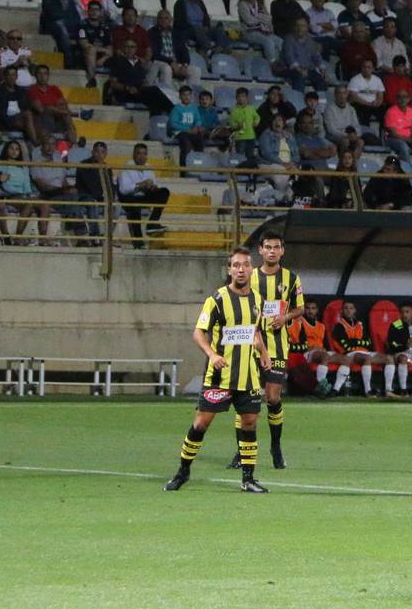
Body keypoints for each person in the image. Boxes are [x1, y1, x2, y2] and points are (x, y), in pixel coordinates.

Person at [164, 248, 274, 494]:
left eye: (245, 265)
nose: (241, 269)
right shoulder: (217, 299)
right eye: (236, 265)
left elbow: (256, 331)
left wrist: (264, 352)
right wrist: (212, 354)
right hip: (220, 377)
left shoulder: (258, 300)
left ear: (251, 269)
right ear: (229, 270)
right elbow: (198, 332)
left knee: (250, 422)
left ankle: (248, 479)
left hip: (248, 376)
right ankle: (183, 471)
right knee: (201, 423)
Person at [226, 232, 305, 470]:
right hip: (250, 346)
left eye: (277, 247)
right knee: (245, 399)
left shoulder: (291, 278)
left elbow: (300, 308)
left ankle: (276, 446)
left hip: (277, 347)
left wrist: (286, 316)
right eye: (268, 247)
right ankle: (242, 452)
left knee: (272, 397)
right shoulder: (249, 277)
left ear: (282, 251)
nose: (272, 251)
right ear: (260, 250)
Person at [327, 301, 394, 397]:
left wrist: (355, 341)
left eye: (351, 308)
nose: (348, 311)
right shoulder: (339, 326)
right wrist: (360, 342)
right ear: (342, 311)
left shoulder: (360, 325)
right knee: (367, 358)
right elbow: (347, 346)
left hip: (365, 352)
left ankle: (388, 390)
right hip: (350, 354)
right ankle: (368, 390)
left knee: (389, 358)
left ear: (354, 310)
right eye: (346, 308)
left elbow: (369, 343)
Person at [117, 143, 169, 248]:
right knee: (134, 208)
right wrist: (141, 185)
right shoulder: (127, 167)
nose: (142, 157)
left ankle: (152, 223)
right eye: (139, 154)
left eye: (145, 154)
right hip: (130, 197)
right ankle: (138, 243)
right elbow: (123, 189)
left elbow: (154, 184)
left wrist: (152, 187)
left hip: (143, 195)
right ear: (134, 154)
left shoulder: (148, 167)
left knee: (164, 192)